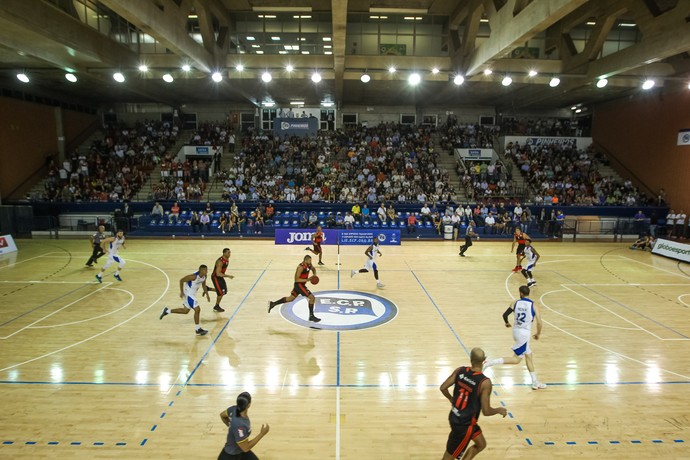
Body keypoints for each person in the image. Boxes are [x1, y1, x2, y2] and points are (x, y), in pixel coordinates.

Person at [439, 347, 507, 460]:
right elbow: (486, 411)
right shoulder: (484, 382)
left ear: (470, 358)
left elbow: (443, 387)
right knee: (448, 457)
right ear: (484, 360)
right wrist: (498, 410)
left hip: (455, 416)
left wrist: (452, 399)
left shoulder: (460, 370)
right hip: (465, 425)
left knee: (481, 444)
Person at [483, 285, 547, 390]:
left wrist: (507, 323)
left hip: (516, 331)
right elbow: (539, 323)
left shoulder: (515, 303)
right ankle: (489, 362)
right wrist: (538, 334)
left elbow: (504, 315)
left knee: (529, 356)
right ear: (528, 293)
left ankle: (535, 381)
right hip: (524, 335)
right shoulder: (534, 305)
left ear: (521, 293)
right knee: (516, 360)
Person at [159, 264, 210, 336]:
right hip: (188, 294)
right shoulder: (193, 277)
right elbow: (181, 280)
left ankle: (167, 311)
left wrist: (207, 294)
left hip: (192, 294)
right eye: (205, 270)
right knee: (197, 309)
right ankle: (197, 329)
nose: (207, 271)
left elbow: (204, 285)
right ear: (201, 270)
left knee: (185, 311)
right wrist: (181, 292)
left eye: (207, 270)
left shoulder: (204, 276)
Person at [267, 255, 321, 322]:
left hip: (301, 284)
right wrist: (307, 279)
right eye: (309, 260)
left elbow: (313, 269)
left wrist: (314, 275)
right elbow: (296, 280)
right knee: (312, 298)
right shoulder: (300, 267)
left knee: (290, 299)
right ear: (305, 260)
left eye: (311, 260)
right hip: (299, 285)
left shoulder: (309, 265)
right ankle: (311, 316)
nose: (311, 262)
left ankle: (273, 304)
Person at [218, 392, 269, 460]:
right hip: (231, 456)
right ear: (249, 405)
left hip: (239, 450)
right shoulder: (240, 425)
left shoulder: (233, 409)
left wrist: (231, 426)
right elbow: (245, 448)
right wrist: (262, 434)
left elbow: (222, 415)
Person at [210, 248, 234, 313]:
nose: (229, 254)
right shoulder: (220, 262)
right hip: (216, 277)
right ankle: (216, 306)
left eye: (230, 252)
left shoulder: (226, 259)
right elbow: (218, 273)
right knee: (220, 293)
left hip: (220, 277)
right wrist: (228, 276)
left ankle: (209, 289)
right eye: (228, 253)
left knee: (224, 291)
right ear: (224, 253)